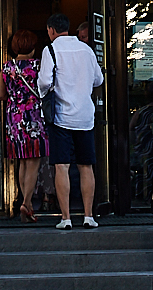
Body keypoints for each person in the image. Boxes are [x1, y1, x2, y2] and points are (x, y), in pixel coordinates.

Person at [36, 12, 105, 229]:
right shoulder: (87, 50)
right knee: (86, 166)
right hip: (85, 116)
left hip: (61, 116)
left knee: (62, 166)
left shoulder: (51, 50)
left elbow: (44, 82)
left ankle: (65, 218)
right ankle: (88, 216)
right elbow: (98, 79)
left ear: (51, 30)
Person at [0, 28, 48, 222]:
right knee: (34, 161)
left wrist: (15, 97)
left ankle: (24, 200)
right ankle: (27, 203)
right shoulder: (38, 66)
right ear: (32, 47)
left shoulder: (7, 68)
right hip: (34, 116)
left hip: (14, 119)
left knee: (22, 161)